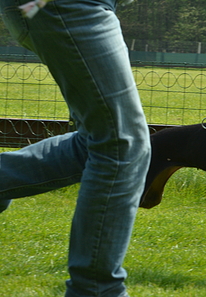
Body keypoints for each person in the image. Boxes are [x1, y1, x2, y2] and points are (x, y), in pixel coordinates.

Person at [0, 0, 151, 296]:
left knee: (101, 141)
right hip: (65, 5)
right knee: (121, 144)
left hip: (66, 6)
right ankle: (96, 291)